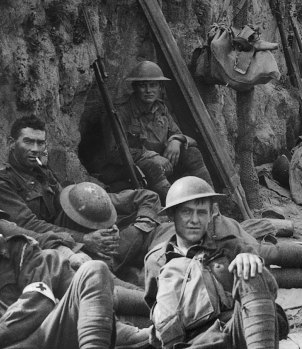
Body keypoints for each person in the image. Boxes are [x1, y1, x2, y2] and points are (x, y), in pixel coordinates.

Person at [0, 116, 162, 274]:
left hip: (66, 233)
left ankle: (125, 246)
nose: (35, 149)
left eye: (40, 143)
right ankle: (119, 257)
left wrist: (107, 221)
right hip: (47, 245)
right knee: (117, 247)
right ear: (11, 143)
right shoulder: (4, 182)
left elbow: (67, 201)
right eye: (28, 141)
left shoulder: (42, 171)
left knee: (128, 202)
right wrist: (84, 239)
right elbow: (30, 225)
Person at [144, 176, 286, 348]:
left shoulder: (229, 246)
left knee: (252, 272)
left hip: (236, 331)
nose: (194, 220)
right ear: (172, 215)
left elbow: (266, 292)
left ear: (211, 215)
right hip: (195, 341)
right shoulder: (158, 260)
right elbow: (156, 310)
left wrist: (249, 259)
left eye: (202, 212)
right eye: (187, 212)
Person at [102, 60, 212, 201]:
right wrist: (150, 155)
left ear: (160, 87)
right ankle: (177, 205)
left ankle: (210, 201)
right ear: (135, 88)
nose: (149, 91)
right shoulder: (121, 111)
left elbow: (182, 135)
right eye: (143, 86)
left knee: (192, 153)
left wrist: (176, 140)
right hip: (125, 169)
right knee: (153, 166)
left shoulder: (160, 108)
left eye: (153, 85)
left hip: (159, 165)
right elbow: (114, 152)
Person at [0, 224, 115, 348]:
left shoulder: (17, 249)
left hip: (43, 333)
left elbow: (43, 304)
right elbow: (40, 305)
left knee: (94, 270)